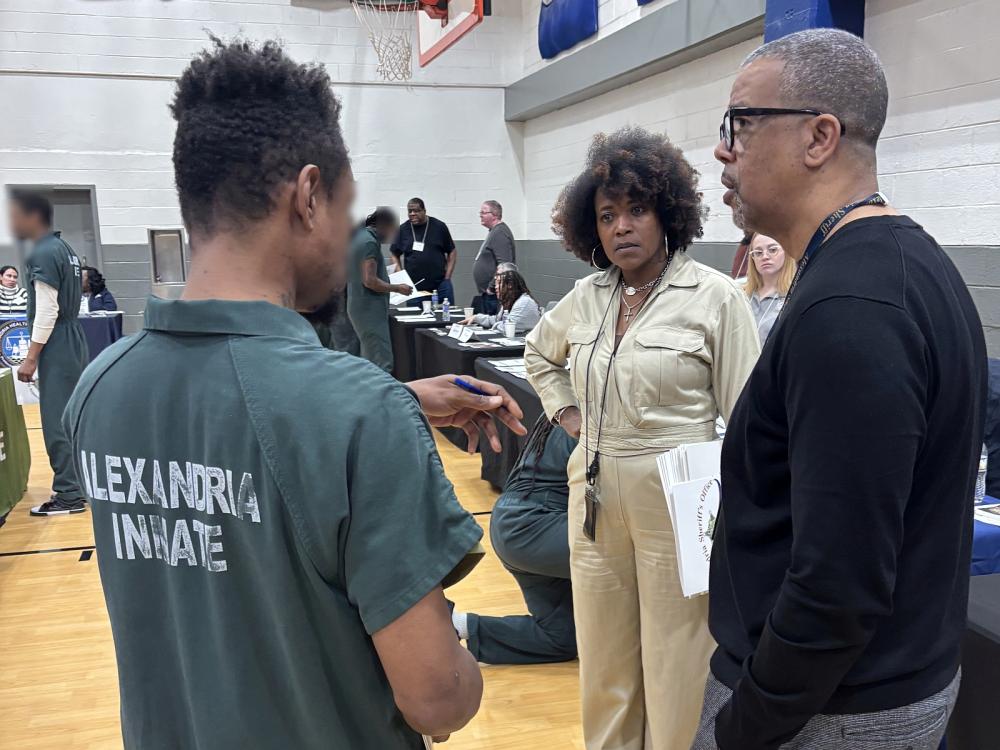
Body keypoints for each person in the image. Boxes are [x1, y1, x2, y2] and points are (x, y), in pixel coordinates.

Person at [61, 39, 528, 750]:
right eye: (341, 210)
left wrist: (394, 398)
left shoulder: (98, 388)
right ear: (308, 197)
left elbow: (229, 432)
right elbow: (437, 701)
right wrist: (469, 664)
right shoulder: (359, 414)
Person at [694, 29, 987, 750]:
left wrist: (742, 728)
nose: (722, 151)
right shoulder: (903, 268)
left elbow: (838, 586)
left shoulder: (850, 309)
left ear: (819, 136)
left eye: (739, 124)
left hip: (827, 714)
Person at [525, 126, 761, 750]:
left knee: (677, 664)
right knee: (603, 662)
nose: (622, 227)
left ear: (668, 214)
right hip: (594, 499)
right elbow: (539, 356)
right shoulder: (586, 298)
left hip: (679, 505)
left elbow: (750, 420)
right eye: (607, 215)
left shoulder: (715, 299)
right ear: (591, 228)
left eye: (637, 209)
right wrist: (570, 418)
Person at [451, 415, 578, 665]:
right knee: (645, 551)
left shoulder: (560, 406)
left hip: (513, 523)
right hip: (539, 524)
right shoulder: (592, 410)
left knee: (561, 638)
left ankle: (456, 626)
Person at [8, 190, 89, 517]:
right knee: (74, 417)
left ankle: (69, 495)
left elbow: (46, 310)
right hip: (74, 336)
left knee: (57, 420)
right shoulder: (66, 248)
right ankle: (79, 486)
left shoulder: (42, 252)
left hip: (57, 340)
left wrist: (30, 357)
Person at [347, 207, 411, 371]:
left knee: (368, 357)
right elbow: (370, 281)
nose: (392, 236)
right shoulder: (369, 242)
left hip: (359, 306)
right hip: (369, 309)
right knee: (381, 360)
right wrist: (398, 288)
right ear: (385, 226)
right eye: (393, 231)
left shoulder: (360, 237)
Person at [390, 198, 456, 304]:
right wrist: (402, 276)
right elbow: (394, 254)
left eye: (416, 211)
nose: (412, 214)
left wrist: (447, 277)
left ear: (424, 211)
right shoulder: (403, 229)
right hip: (414, 287)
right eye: (409, 211)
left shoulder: (439, 227)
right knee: (416, 318)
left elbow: (452, 251)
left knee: (446, 316)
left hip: (440, 285)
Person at [742, 233, 794, 344]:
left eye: (772, 250)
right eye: (758, 253)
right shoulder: (740, 293)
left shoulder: (794, 295)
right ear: (753, 258)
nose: (765, 256)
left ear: (786, 252)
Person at [462, 267, 540, 334]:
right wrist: (476, 318)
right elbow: (497, 320)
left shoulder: (524, 302)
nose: (496, 287)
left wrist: (495, 325)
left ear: (510, 285)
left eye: (499, 283)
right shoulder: (510, 301)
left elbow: (507, 327)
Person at [473, 200, 516, 314]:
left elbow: (505, 265)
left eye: (484, 212)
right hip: (490, 294)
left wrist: (491, 287)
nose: (480, 215)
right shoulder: (493, 231)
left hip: (494, 295)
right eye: (480, 212)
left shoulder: (500, 233)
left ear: (495, 215)